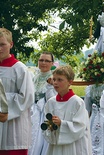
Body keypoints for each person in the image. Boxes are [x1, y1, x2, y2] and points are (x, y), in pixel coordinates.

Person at [42, 65, 92, 155]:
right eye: (54, 79)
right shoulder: (51, 102)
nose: (55, 83)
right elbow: (46, 124)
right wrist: (50, 128)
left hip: (73, 147)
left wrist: (62, 124)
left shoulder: (77, 102)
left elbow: (80, 126)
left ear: (70, 82)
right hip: (56, 146)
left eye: (60, 80)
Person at [0, 27, 34, 155]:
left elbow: (26, 97)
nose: (0, 48)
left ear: (11, 44)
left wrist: (2, 107)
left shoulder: (19, 69)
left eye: (2, 44)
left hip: (14, 126)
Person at [29, 52, 57, 155]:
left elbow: (53, 100)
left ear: (52, 63)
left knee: (39, 143)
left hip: (44, 114)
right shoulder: (34, 77)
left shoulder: (54, 79)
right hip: (31, 112)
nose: (43, 63)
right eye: (41, 60)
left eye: (47, 61)